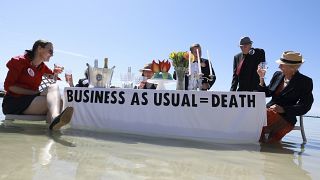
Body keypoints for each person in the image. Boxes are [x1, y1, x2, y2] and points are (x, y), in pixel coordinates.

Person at [2, 39, 73, 130]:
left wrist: (55, 73)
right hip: (13, 102)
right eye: (50, 51)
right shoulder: (19, 61)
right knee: (55, 98)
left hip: (30, 101)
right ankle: (54, 120)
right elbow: (8, 87)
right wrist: (35, 93)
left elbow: (55, 80)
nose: (52, 54)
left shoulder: (42, 67)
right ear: (39, 48)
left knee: (58, 102)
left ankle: (52, 127)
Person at [257, 51, 313, 143]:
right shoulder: (277, 75)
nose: (279, 67)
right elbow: (266, 93)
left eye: (282, 65)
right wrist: (261, 78)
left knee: (261, 121)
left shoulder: (305, 82)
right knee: (254, 115)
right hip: (267, 113)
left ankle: (263, 144)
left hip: (286, 118)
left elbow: (305, 106)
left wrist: (283, 109)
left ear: (293, 68)